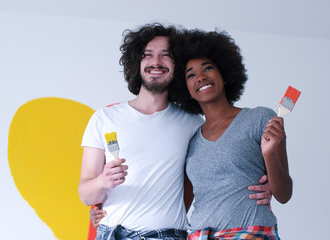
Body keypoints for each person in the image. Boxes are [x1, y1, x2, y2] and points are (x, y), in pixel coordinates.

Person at [79, 23, 271, 240]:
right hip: (111, 233)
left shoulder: (192, 123)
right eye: (148, 55)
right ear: (136, 63)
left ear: (177, 65)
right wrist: (102, 181)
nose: (156, 62)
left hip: (166, 235)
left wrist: (267, 185)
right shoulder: (104, 119)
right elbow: (86, 194)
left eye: (165, 55)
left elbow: (221, 166)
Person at [170, 29, 292, 239]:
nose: (200, 77)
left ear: (225, 76)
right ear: (186, 89)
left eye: (208, 68)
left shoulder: (261, 118)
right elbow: (179, 204)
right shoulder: (189, 138)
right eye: (191, 75)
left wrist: (268, 155)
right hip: (199, 234)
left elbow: (283, 194)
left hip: (251, 232)